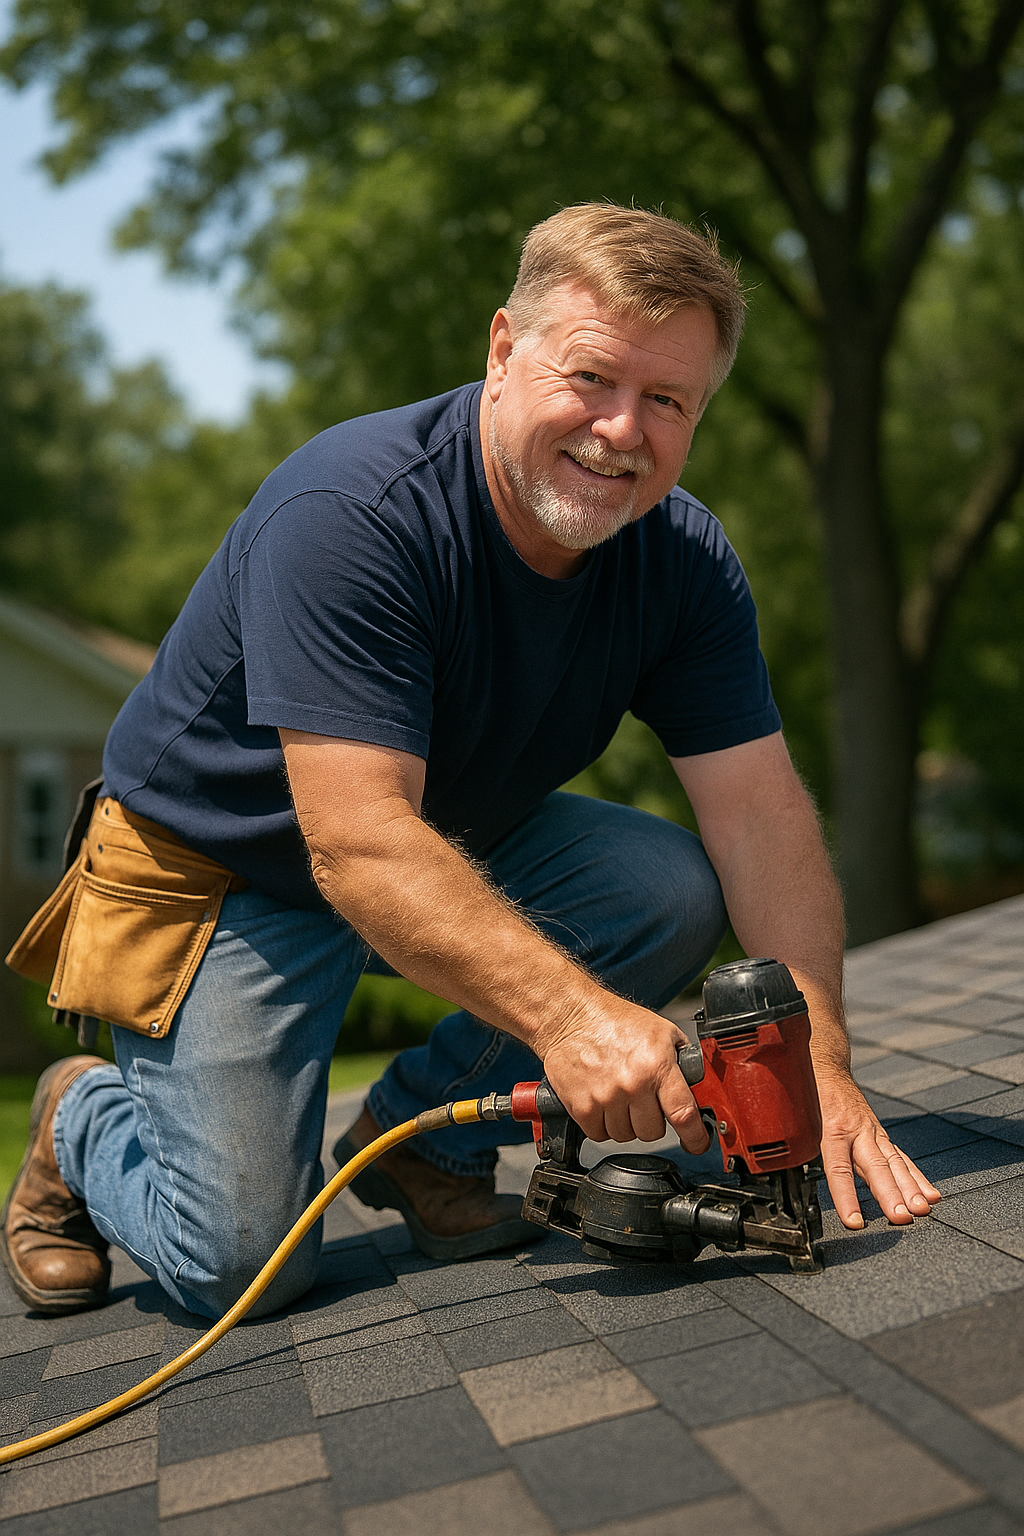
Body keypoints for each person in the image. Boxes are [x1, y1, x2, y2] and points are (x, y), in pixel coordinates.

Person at [2, 204, 940, 1321]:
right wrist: (572, 1023)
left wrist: (816, 1059)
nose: (619, 430)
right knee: (238, 1267)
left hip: (442, 835)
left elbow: (759, 816)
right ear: (503, 350)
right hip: (232, 879)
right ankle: (81, 1120)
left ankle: (417, 1143)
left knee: (667, 888)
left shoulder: (680, 558)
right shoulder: (350, 513)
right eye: (591, 377)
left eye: (666, 401)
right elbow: (356, 846)